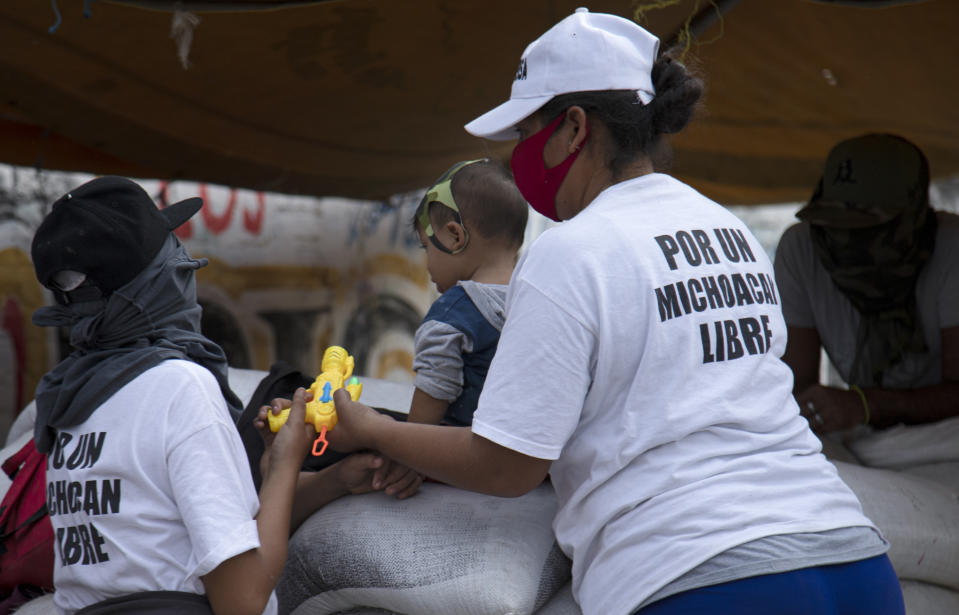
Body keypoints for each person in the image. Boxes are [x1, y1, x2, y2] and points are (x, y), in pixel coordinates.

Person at [306, 9, 904, 615]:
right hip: (852, 560)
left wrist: (370, 430)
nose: (519, 158)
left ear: (572, 128)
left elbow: (509, 465)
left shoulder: (569, 253)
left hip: (702, 578)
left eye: (525, 134)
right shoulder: (728, 229)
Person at [30, 176, 388, 615]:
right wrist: (284, 466)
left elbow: (158, 547)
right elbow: (242, 602)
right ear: (159, 278)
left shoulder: (68, 396)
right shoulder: (179, 387)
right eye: (173, 250)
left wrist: (296, 477)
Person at [774, 133, 959, 435]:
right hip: (863, 434)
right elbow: (797, 389)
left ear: (912, 215)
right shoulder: (803, 246)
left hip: (944, 436)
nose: (847, 241)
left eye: (867, 227)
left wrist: (865, 405)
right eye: (834, 224)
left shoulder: (952, 246)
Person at [407, 158, 528, 427]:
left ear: (454, 236)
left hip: (454, 462)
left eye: (427, 247)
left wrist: (397, 454)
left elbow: (424, 417)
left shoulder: (454, 313)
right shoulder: (536, 302)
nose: (427, 263)